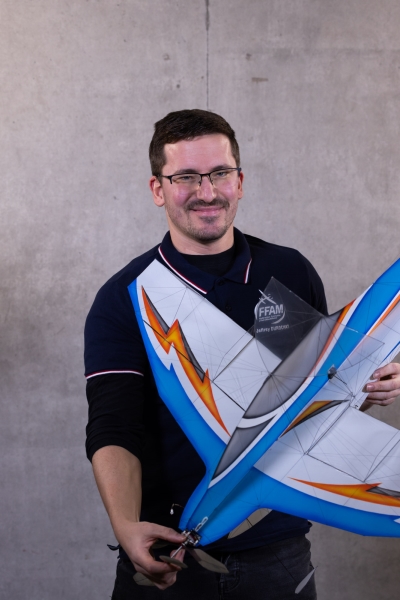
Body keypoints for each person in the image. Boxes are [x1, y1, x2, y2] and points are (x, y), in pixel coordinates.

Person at [84, 109, 400, 599]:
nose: (207, 192)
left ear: (240, 181)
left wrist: (370, 386)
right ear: (157, 189)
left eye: (220, 173)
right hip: (168, 552)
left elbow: (312, 401)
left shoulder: (288, 272)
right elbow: (113, 426)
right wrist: (125, 524)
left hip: (278, 552)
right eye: (186, 177)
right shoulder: (127, 296)